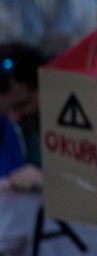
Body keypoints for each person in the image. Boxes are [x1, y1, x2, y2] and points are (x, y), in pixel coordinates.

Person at [0, 42, 47, 191]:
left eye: (21, 105)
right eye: (4, 111)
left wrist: (49, 178)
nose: (14, 118)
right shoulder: (5, 128)